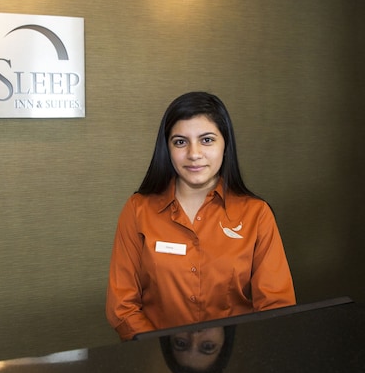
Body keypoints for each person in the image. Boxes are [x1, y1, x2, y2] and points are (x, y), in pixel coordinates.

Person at [106, 91, 296, 341]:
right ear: (167, 148)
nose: (194, 154)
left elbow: (276, 307)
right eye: (180, 142)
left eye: (207, 140)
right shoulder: (138, 210)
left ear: (225, 145)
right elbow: (122, 307)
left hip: (237, 356)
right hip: (156, 356)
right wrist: (162, 351)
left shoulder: (256, 214)